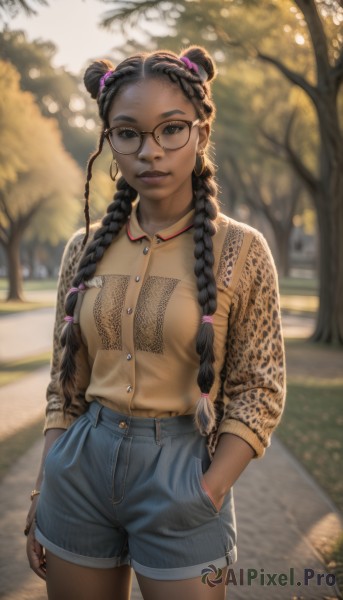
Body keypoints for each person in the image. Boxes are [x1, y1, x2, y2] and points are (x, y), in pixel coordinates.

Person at [25, 45, 286, 600]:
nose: (151, 151)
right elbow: (63, 383)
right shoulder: (84, 249)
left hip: (183, 476)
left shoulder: (241, 250)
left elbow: (260, 387)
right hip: (79, 476)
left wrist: (209, 490)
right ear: (109, 141)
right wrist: (45, 487)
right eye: (129, 134)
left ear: (202, 131)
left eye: (171, 130)